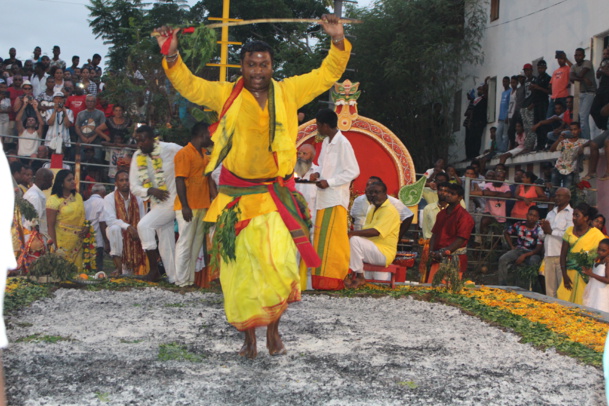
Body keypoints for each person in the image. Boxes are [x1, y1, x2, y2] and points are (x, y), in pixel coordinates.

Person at [155, 14, 350, 358]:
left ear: (273, 66)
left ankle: (273, 329)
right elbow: (190, 85)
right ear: (241, 66)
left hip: (275, 198)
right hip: (237, 201)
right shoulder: (225, 95)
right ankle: (249, 339)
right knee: (240, 274)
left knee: (279, 266)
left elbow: (327, 75)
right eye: (251, 64)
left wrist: (336, 40)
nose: (258, 70)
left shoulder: (289, 91)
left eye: (264, 64)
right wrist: (171, 55)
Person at [313, 108, 360, 290]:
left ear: (325, 125)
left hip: (335, 198)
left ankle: (336, 279)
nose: (316, 127)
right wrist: (316, 173)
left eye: (317, 124)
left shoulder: (343, 143)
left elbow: (353, 171)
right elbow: (323, 166)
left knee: (334, 242)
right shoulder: (326, 142)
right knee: (321, 239)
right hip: (323, 198)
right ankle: (321, 280)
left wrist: (330, 182)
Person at [129, 125, 182, 282]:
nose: (140, 144)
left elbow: (190, 154)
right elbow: (134, 186)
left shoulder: (170, 148)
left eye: (143, 140)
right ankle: (174, 277)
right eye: (137, 141)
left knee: (144, 226)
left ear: (153, 138)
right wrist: (150, 190)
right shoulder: (137, 157)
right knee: (166, 242)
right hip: (156, 203)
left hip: (174, 201)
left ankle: (153, 270)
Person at [174, 122, 215, 287]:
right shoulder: (184, 153)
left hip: (202, 204)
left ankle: (189, 280)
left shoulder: (205, 154)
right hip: (188, 207)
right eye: (209, 134)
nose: (211, 137)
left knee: (196, 244)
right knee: (184, 243)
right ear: (202, 135)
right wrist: (185, 206)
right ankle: (181, 281)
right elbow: (179, 180)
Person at [345, 181, 400, 289]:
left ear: (385, 194)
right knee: (348, 241)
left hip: (384, 252)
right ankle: (344, 275)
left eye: (376, 192)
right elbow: (366, 231)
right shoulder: (372, 208)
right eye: (369, 193)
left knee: (354, 240)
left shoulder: (389, 210)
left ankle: (359, 276)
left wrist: (351, 233)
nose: (372, 195)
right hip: (372, 248)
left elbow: (375, 231)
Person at [557, 203, 606, 305]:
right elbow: (563, 255)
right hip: (569, 275)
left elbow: (606, 249)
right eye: (573, 215)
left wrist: (597, 263)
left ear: (586, 218)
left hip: (584, 276)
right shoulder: (569, 230)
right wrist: (564, 275)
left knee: (581, 303)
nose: (574, 218)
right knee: (563, 301)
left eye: (577, 215)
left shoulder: (596, 234)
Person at [101, 170, 147, 276]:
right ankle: (119, 269)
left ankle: (135, 268)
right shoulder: (109, 198)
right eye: (121, 180)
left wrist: (136, 230)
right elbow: (110, 220)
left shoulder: (138, 198)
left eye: (127, 180)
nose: (125, 182)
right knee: (115, 229)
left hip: (135, 231)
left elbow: (143, 218)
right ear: (116, 183)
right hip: (116, 230)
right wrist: (128, 227)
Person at [427, 183, 474, 283]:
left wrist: (444, 253)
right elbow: (435, 234)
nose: (448, 195)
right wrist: (431, 252)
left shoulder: (465, 217)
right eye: (447, 192)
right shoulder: (441, 214)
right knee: (432, 286)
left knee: (449, 291)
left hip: (454, 258)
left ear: (459, 198)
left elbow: (461, 239)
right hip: (437, 257)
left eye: (452, 193)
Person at [46, 170, 86, 268]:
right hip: (61, 241)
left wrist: (86, 228)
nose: (73, 182)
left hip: (78, 240)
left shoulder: (78, 197)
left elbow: (82, 217)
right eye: (69, 180)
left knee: (77, 271)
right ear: (61, 183)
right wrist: (54, 246)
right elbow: (50, 225)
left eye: (73, 179)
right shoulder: (53, 200)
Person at [540, 187, 573, 298]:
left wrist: (551, 231)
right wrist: (545, 231)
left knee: (562, 289)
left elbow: (569, 235)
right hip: (548, 255)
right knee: (549, 290)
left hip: (561, 256)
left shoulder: (571, 214)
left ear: (568, 198)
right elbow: (541, 234)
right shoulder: (551, 213)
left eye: (560, 195)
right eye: (556, 195)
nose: (557, 198)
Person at [498, 206, 544, 286]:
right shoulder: (519, 225)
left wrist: (524, 255)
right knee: (503, 259)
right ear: (527, 215)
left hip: (533, 253)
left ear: (538, 218)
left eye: (535, 216)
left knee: (534, 262)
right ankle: (502, 286)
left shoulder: (539, 229)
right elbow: (506, 232)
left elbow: (538, 249)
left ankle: (531, 287)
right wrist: (511, 246)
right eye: (530, 215)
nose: (532, 217)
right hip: (518, 250)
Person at [550, 121, 586, 188]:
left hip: (570, 170)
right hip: (558, 168)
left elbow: (590, 142)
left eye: (575, 129)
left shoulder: (582, 141)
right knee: (553, 191)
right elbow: (551, 149)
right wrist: (558, 140)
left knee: (567, 191)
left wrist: (582, 146)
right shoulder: (564, 141)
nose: (573, 131)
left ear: (579, 130)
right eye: (571, 130)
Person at [570, 48, 597, 140]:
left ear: (584, 56)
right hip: (579, 92)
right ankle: (579, 138)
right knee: (576, 118)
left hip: (589, 92)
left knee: (583, 116)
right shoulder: (573, 66)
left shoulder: (587, 63)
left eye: (580, 55)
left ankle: (586, 140)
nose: (578, 57)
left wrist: (577, 78)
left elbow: (579, 75)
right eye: (576, 55)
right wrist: (584, 79)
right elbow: (571, 78)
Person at [294, 143, 320, 226]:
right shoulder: (290, 172)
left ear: (312, 156)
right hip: (294, 219)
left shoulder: (319, 173)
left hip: (312, 221)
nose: (300, 156)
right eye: (299, 153)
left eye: (304, 154)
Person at [22, 168, 53, 235]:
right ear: (43, 180)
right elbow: (33, 222)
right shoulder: (35, 196)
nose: (51, 184)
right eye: (50, 180)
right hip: (34, 238)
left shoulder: (34, 193)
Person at [75, 95, 107, 160]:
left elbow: (103, 127)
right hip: (82, 141)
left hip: (96, 141)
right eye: (88, 101)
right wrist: (82, 137)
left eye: (92, 101)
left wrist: (93, 137)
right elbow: (77, 127)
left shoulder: (101, 114)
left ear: (95, 102)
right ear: (85, 102)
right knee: (80, 160)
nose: (90, 103)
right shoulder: (80, 114)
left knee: (96, 160)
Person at [582, 239, 609, 312]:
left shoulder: (607, 262)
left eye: (603, 250)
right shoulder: (599, 260)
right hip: (594, 292)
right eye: (599, 249)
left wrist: (591, 274)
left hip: (601, 296)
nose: (600, 252)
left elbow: (607, 280)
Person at [84, 184, 106, 271]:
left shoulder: (84, 203)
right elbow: (102, 223)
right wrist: (106, 242)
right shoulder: (103, 202)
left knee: (86, 267)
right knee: (98, 268)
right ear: (103, 192)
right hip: (98, 240)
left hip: (86, 240)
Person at [591, 47, 609, 132]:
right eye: (604, 54)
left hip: (608, 91)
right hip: (601, 90)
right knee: (593, 110)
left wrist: (603, 71)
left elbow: (605, 72)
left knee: (605, 111)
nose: (605, 56)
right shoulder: (603, 62)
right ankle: (603, 126)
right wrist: (600, 71)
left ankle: (605, 128)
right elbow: (598, 75)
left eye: (607, 54)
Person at [548, 51, 570, 118]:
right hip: (554, 97)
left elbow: (574, 68)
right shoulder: (555, 71)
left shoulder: (567, 68)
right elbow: (550, 83)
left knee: (564, 117)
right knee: (549, 117)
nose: (559, 60)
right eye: (558, 59)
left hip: (563, 96)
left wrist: (566, 59)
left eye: (561, 58)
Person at [496, 76, 511, 152]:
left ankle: (504, 150)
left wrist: (507, 116)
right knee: (497, 134)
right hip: (501, 117)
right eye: (503, 81)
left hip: (506, 118)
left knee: (505, 135)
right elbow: (502, 105)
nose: (504, 83)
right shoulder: (503, 93)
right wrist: (499, 116)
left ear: (509, 82)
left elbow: (510, 105)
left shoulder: (510, 91)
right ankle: (500, 149)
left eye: (505, 81)